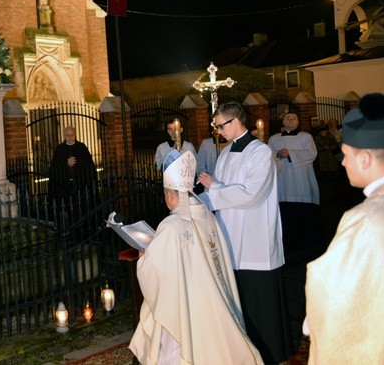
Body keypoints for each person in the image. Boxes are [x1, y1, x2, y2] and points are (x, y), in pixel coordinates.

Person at [304, 93, 384, 363]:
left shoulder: (365, 219)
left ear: (365, 158)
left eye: (346, 155)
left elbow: (333, 296)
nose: (342, 163)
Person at [129, 149, 263, 365]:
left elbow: (154, 270)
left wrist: (145, 255)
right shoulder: (207, 216)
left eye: (165, 194)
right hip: (211, 301)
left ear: (172, 195)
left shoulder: (172, 225)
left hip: (185, 305)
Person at [197, 102, 292, 364]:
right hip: (230, 232)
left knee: (259, 298)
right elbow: (217, 191)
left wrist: (214, 188)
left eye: (221, 125)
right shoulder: (226, 153)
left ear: (236, 121)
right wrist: (196, 202)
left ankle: (270, 352)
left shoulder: (260, 152)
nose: (218, 131)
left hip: (254, 235)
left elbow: (252, 194)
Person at [267, 112, 321, 261]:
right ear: (282, 121)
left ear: (298, 122)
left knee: (303, 212)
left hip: (300, 181)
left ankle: (307, 243)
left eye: (294, 118)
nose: (290, 120)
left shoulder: (305, 137)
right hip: (282, 181)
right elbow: (266, 154)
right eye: (287, 118)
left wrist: (290, 153)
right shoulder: (274, 139)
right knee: (286, 214)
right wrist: (277, 153)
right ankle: (288, 244)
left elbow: (312, 153)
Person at [48, 126, 97, 231]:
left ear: (75, 134)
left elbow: (89, 166)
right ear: (64, 136)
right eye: (68, 135)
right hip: (65, 185)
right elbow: (54, 168)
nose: (70, 137)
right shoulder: (60, 149)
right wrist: (66, 164)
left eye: (72, 135)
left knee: (81, 206)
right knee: (67, 207)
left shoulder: (82, 147)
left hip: (80, 184)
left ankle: (83, 227)